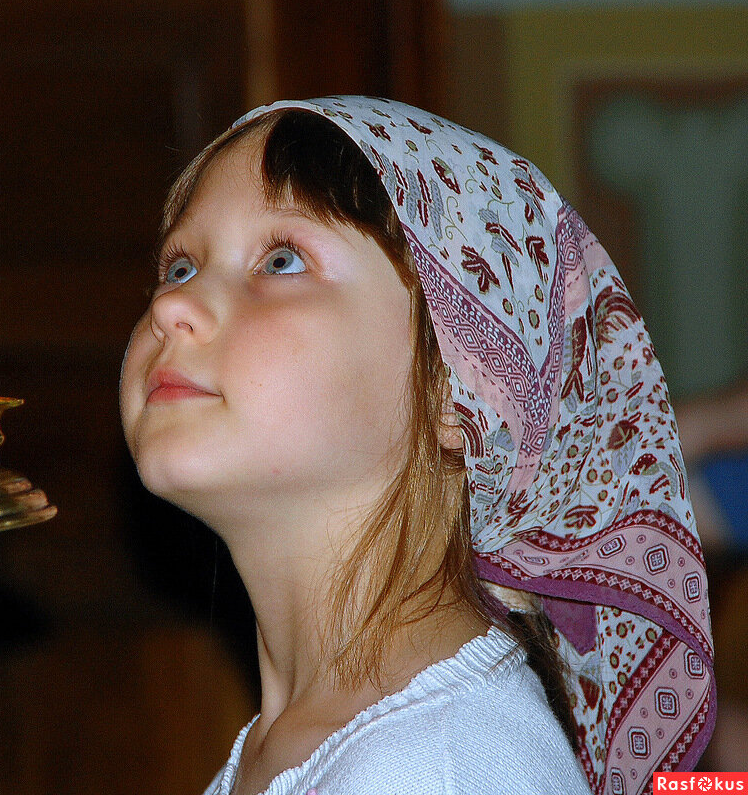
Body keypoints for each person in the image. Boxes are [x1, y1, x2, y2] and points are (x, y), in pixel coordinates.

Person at [119, 97, 715, 795]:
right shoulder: (330, 748)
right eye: (179, 267)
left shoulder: (444, 765)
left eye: (281, 260)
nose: (170, 307)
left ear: (457, 391)